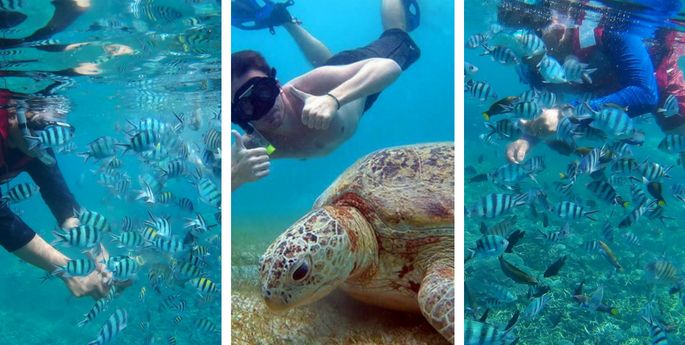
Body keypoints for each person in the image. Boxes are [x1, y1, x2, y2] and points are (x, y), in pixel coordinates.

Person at [231, 0, 421, 191]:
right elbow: (222, 182)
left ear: (277, 85)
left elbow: (388, 67)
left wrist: (333, 99)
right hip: (334, 91)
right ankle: (284, 19)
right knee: (328, 65)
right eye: (246, 108)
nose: (264, 111)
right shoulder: (256, 145)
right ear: (238, 119)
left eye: (264, 94)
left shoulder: (309, 88)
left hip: (357, 84)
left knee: (399, 38)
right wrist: (236, 178)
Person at [493, 0, 682, 163]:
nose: (532, 57)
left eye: (535, 33)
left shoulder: (611, 27)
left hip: (659, 82)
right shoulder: (535, 62)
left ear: (559, 22)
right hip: (603, 98)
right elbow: (548, 110)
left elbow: (645, 94)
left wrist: (563, 115)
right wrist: (529, 136)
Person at [0, 91, 125, 299]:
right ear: (12, 117)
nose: (44, 144)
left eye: (51, 133)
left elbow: (62, 203)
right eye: (40, 133)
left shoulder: (35, 141)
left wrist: (103, 261)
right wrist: (71, 274)